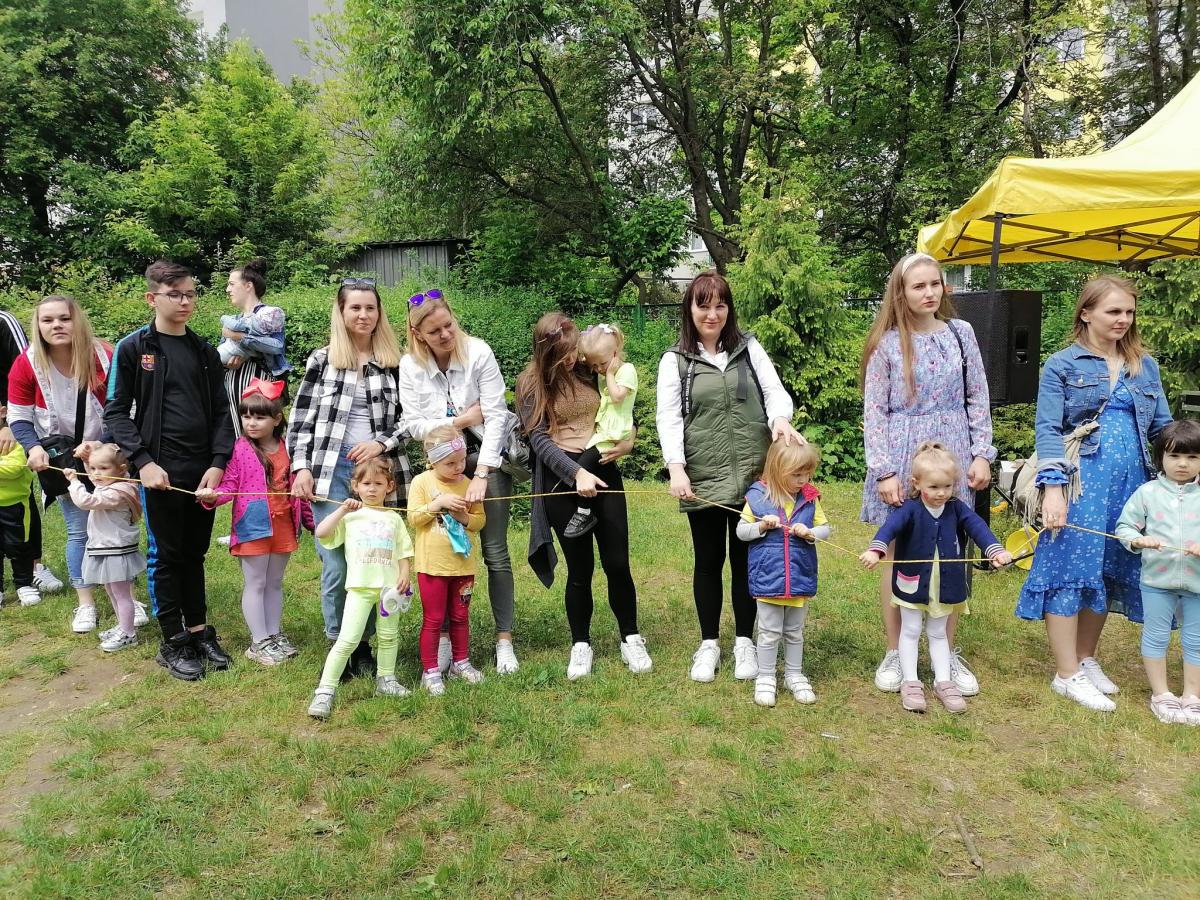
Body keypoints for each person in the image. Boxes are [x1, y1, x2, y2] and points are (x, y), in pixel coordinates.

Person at [1016, 274, 1172, 712]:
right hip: (1081, 481)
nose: (1123, 320)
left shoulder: (1145, 366)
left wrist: (1180, 477)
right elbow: (1048, 429)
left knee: (1106, 567)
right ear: (1086, 313)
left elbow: (1162, 429)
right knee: (1070, 567)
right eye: (1113, 311)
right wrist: (1053, 489)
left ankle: (1085, 658)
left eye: (1129, 312)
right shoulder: (1062, 365)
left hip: (1132, 484)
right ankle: (1066, 673)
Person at [656, 271, 803, 684]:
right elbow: (668, 417)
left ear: (729, 309)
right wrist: (676, 467)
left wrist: (780, 419)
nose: (712, 314)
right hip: (702, 476)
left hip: (754, 478)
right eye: (704, 305)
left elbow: (774, 392)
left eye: (720, 305)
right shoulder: (675, 361)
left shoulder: (748, 348)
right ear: (690, 309)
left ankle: (744, 642)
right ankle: (708, 644)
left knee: (746, 561)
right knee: (708, 561)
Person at [860, 252, 996, 698]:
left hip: (953, 450)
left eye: (935, 283)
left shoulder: (961, 333)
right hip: (902, 449)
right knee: (899, 552)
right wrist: (883, 471)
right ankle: (895, 651)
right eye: (919, 286)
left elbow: (977, 396)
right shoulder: (886, 342)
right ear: (901, 292)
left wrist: (982, 454)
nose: (929, 292)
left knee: (951, 550)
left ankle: (946, 652)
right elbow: (875, 412)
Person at [104, 260, 236, 682]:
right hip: (159, 472)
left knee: (194, 553)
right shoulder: (133, 348)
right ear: (152, 298)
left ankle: (197, 630)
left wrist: (218, 464)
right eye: (174, 294)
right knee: (167, 555)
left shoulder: (204, 352)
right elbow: (115, 412)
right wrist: (143, 462)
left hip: (202, 473)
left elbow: (222, 413)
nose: (184, 302)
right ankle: (172, 641)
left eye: (190, 294)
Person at [287, 277, 410, 680]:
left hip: (377, 472)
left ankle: (365, 645)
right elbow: (300, 421)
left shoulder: (395, 363)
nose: (363, 315)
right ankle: (340, 641)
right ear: (341, 312)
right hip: (329, 470)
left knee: (376, 560)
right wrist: (301, 467)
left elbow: (411, 419)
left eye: (370, 308)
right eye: (355, 307)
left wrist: (380, 443)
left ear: (379, 313)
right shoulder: (322, 360)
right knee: (338, 564)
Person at [518, 312, 650, 680]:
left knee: (617, 563)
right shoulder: (531, 384)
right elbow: (539, 440)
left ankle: (630, 636)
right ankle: (581, 644)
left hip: (603, 468)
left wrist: (630, 439)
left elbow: (619, 407)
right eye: (565, 356)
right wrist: (576, 473)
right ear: (547, 355)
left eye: (575, 351)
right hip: (563, 480)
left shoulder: (588, 368)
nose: (573, 359)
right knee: (580, 570)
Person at [397, 290, 519, 674]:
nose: (446, 335)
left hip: (485, 460)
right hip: (440, 467)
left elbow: (496, 415)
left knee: (495, 551)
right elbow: (413, 425)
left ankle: (504, 640)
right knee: (444, 552)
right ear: (418, 334)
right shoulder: (410, 366)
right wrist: (461, 421)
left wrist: (481, 473)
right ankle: (447, 640)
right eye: (435, 332)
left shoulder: (478, 351)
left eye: (448, 325)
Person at [8, 295, 139, 631]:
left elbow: (127, 405)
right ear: (38, 326)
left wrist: (104, 445)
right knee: (79, 530)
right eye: (48, 320)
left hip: (108, 456)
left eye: (64, 318)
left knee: (118, 528)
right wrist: (32, 447)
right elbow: (19, 416)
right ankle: (85, 603)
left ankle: (128, 596)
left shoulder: (104, 356)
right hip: (63, 459)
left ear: (76, 320)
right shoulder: (26, 364)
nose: (57, 325)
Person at [861, 442, 1012, 714]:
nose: (941, 493)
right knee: (910, 630)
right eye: (933, 487)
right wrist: (875, 550)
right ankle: (910, 682)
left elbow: (978, 528)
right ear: (916, 484)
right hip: (912, 583)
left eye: (947, 486)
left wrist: (995, 550)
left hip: (945, 585)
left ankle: (944, 682)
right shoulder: (909, 509)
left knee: (938, 633)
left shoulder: (957, 508)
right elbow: (889, 529)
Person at [196, 379, 312, 666]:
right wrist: (213, 496)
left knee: (275, 582)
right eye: (246, 416)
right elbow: (230, 485)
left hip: (284, 525)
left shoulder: (289, 447)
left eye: (259, 417)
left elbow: (299, 489)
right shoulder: (240, 448)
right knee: (256, 582)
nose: (251, 422)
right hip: (252, 526)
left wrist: (311, 521)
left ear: (277, 419)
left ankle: (273, 634)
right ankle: (258, 642)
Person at [307, 457, 413, 719]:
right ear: (356, 486)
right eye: (366, 484)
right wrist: (342, 510)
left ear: (389, 487)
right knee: (348, 640)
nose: (372, 489)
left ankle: (386, 679)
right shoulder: (350, 517)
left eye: (379, 483)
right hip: (359, 589)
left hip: (389, 592)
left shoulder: (394, 518)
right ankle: (325, 691)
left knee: (389, 636)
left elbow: (403, 551)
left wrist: (404, 574)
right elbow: (321, 532)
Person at [1115, 420, 1200, 725]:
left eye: (1192, 457)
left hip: (1198, 585)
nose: (1182, 464)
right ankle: (1161, 694)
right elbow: (1125, 527)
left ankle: (1192, 697)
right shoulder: (1147, 493)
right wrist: (1138, 540)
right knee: (1156, 635)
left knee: (1196, 640)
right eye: (1174, 456)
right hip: (1156, 582)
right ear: (1160, 457)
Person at [736, 440, 829, 708]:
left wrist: (810, 533)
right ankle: (765, 677)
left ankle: (794, 675)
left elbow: (825, 529)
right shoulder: (758, 498)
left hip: (799, 577)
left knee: (794, 631)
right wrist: (761, 527)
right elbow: (742, 531)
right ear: (777, 470)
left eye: (807, 474)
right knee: (768, 631)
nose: (803, 480)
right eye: (796, 474)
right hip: (768, 577)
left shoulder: (810, 497)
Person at [407, 424, 487, 695]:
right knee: (433, 618)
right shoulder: (422, 482)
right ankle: (430, 670)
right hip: (432, 566)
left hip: (463, 566)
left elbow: (479, 521)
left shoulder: (468, 484)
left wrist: (463, 516)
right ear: (433, 461)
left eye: (462, 460)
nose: (458, 467)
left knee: (460, 616)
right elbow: (413, 518)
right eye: (450, 463)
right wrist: (437, 505)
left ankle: (460, 662)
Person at [0, 308, 61, 594]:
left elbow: (28, 366)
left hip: (5, 421)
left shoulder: (3, 321)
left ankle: (33, 567)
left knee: (17, 498)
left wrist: (10, 424)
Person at [63, 444, 146, 652]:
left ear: (121, 469)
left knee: (122, 594)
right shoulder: (112, 483)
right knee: (111, 590)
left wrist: (74, 482)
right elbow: (95, 480)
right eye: (93, 468)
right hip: (106, 547)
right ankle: (123, 626)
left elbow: (86, 501)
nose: (96, 474)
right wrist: (86, 463)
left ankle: (129, 634)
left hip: (115, 549)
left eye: (103, 468)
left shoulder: (118, 492)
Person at [563, 323, 638, 539]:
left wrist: (610, 374)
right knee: (589, 465)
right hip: (604, 430)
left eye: (602, 363)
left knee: (584, 465)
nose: (599, 369)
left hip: (615, 431)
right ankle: (588, 508)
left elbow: (618, 397)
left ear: (615, 353)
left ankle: (584, 512)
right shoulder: (604, 371)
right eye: (594, 365)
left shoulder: (626, 370)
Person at [217, 258, 292, 377]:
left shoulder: (271, 313)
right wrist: (226, 365)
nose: (227, 289)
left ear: (248, 286)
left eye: (231, 284)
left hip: (261, 386)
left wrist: (237, 336)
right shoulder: (233, 320)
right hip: (233, 387)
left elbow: (277, 347)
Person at [0, 417, 36, 609]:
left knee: (19, 545)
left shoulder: (15, 437)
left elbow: (13, 469)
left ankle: (24, 584)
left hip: (15, 506)